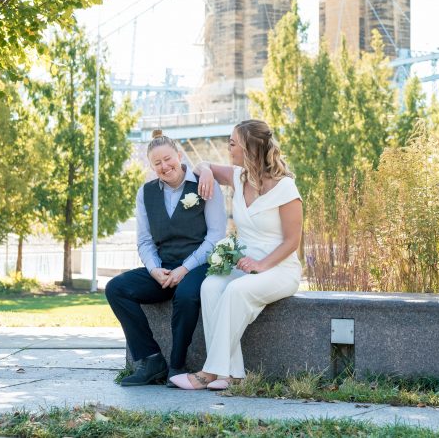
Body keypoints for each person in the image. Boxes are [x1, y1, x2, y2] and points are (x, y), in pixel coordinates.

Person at [169, 119, 303, 390]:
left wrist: (262, 264)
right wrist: (206, 172)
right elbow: (201, 165)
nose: (228, 148)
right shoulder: (237, 176)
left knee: (235, 291)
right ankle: (233, 374)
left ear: (250, 148)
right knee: (210, 286)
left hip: (280, 269)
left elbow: (292, 241)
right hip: (245, 265)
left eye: (232, 144)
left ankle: (208, 371)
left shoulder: (285, 187)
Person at [105, 130, 226, 386]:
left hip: (198, 266)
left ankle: (177, 365)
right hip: (163, 268)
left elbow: (215, 236)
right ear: (151, 166)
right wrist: (154, 269)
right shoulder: (145, 192)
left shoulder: (204, 183)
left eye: (168, 159)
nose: (164, 166)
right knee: (116, 288)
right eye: (157, 163)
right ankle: (151, 360)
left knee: (186, 295)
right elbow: (145, 241)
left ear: (179, 155)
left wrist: (185, 268)